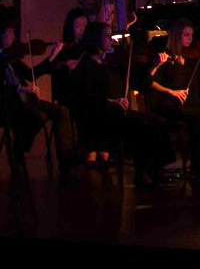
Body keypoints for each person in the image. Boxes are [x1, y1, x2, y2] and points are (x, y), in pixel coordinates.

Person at [71, 22, 174, 187]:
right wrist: (111, 101)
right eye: (106, 36)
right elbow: (84, 98)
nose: (110, 39)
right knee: (141, 125)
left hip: (116, 113)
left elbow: (139, 83)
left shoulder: (110, 64)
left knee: (157, 121)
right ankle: (142, 173)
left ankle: (155, 168)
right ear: (95, 39)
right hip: (99, 120)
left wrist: (155, 66)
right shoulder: (86, 66)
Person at [147, 19, 200, 181]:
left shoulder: (191, 59)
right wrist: (171, 90)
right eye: (186, 35)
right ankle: (198, 165)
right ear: (176, 36)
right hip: (172, 104)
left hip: (193, 102)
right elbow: (149, 82)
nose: (190, 39)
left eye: (192, 35)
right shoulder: (165, 58)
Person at [0, 23, 79, 177]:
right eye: (10, 33)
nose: (14, 38)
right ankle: (19, 152)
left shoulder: (10, 57)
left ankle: (67, 162)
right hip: (7, 103)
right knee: (36, 116)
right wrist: (19, 89)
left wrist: (52, 56)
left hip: (24, 100)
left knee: (62, 111)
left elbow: (31, 74)